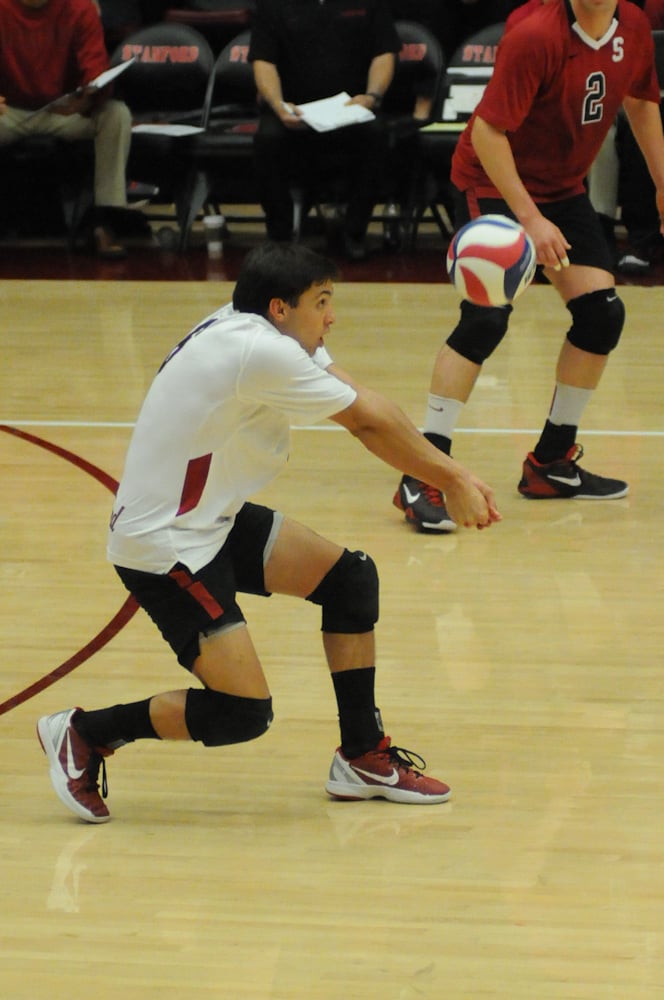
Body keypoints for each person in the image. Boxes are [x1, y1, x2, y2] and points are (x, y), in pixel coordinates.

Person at [36, 241, 501, 824]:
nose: (331, 316)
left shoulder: (258, 328)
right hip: (166, 547)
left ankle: (361, 756)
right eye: (321, 302)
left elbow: (366, 402)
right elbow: (364, 422)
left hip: (213, 519)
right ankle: (85, 733)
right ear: (280, 308)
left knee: (350, 582)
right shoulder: (258, 352)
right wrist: (451, 477)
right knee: (242, 713)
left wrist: (447, 472)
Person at [393, 0, 664, 533]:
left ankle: (550, 464)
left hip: (562, 187)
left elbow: (641, 100)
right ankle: (420, 474)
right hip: (494, 182)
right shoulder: (535, 34)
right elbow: (490, 135)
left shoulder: (632, 26)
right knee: (486, 319)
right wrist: (531, 220)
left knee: (601, 315)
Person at [249, 0, 400, 260]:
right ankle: (279, 238)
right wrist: (278, 104)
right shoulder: (272, 5)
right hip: (294, 110)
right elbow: (263, 61)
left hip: (351, 107)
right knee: (267, 139)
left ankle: (354, 233)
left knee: (377, 134)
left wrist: (372, 95)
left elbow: (384, 53)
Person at [0, 0, 133, 258]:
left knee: (116, 115)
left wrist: (88, 96)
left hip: (63, 111)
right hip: (10, 111)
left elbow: (95, 68)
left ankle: (104, 222)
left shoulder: (80, 7)